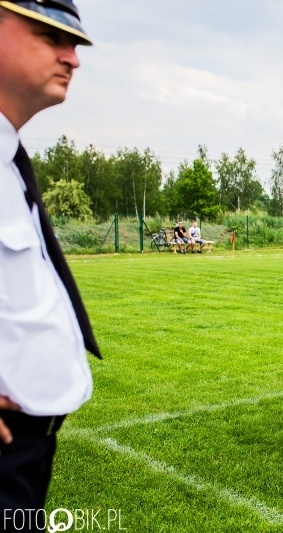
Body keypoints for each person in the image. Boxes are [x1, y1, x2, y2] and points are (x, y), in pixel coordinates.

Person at [0, 0, 101, 523]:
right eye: (50, 36)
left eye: (76, 43)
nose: (73, 58)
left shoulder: (9, 157)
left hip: (29, 444)